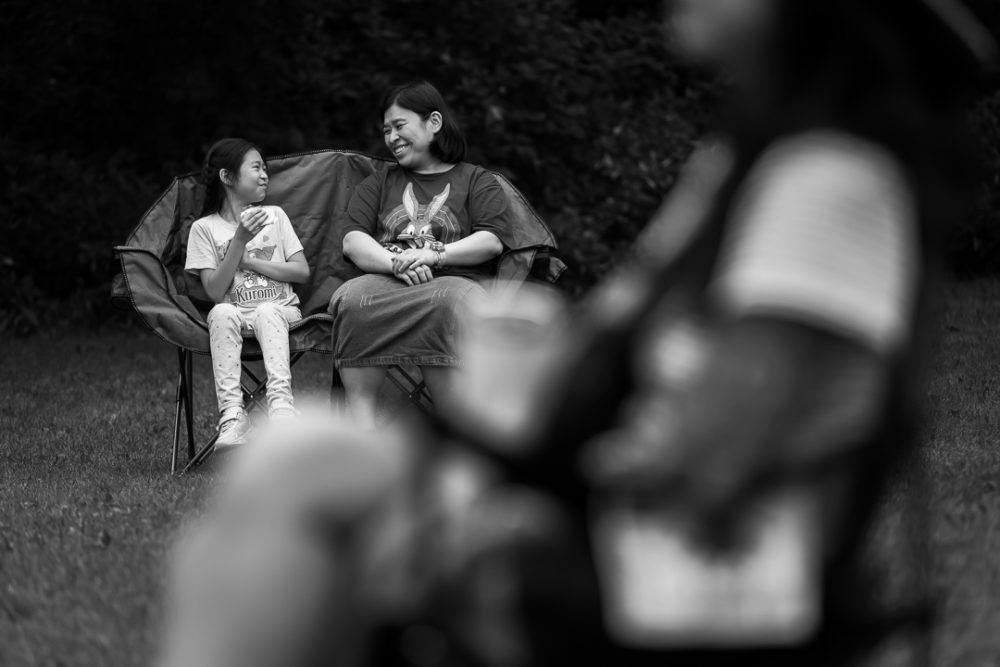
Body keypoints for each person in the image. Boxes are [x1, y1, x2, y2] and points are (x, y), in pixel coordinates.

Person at [328, 81, 513, 428]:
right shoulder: (380, 182)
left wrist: (434, 256)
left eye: (399, 126)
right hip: (386, 281)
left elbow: (491, 241)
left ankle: (454, 428)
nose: (391, 137)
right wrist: (396, 263)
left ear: (434, 123)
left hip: (454, 283)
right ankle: (364, 430)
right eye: (386, 130)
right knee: (352, 299)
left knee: (449, 303)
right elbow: (353, 241)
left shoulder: (476, 180)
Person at [185, 138, 310, 447]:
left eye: (265, 168)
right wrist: (239, 239)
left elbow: (301, 271)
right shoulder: (204, 229)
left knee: (268, 311)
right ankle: (232, 416)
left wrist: (250, 261)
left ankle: (282, 409)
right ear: (227, 177)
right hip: (236, 317)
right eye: (256, 167)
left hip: (282, 311)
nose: (265, 174)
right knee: (220, 311)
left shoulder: (275, 216)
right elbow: (214, 291)